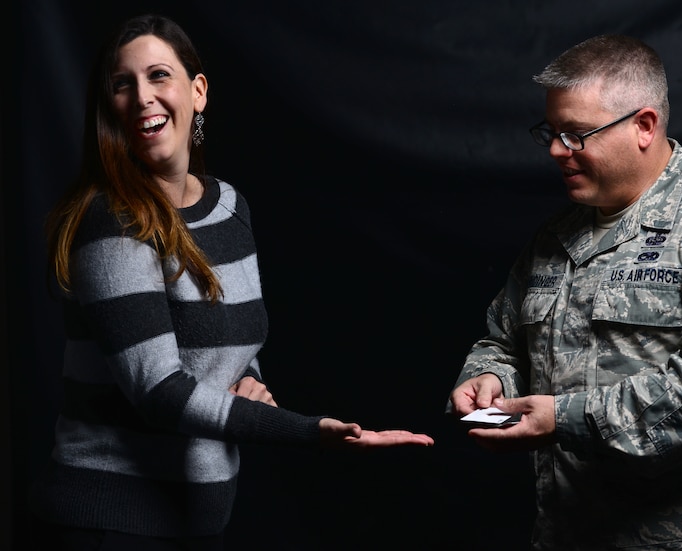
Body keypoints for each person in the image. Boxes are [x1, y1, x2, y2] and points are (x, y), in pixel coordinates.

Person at [28, 13, 433, 550]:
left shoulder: (228, 207)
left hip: (200, 517)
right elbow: (160, 392)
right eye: (122, 85)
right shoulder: (113, 219)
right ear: (110, 108)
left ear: (197, 92)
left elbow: (239, 341)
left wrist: (250, 380)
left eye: (158, 76)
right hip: (111, 520)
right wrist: (309, 431)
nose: (142, 96)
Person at [448, 34, 682, 550]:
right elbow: (503, 340)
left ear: (644, 126)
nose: (557, 151)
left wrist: (565, 419)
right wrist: (489, 376)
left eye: (576, 134)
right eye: (552, 132)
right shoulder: (555, 237)